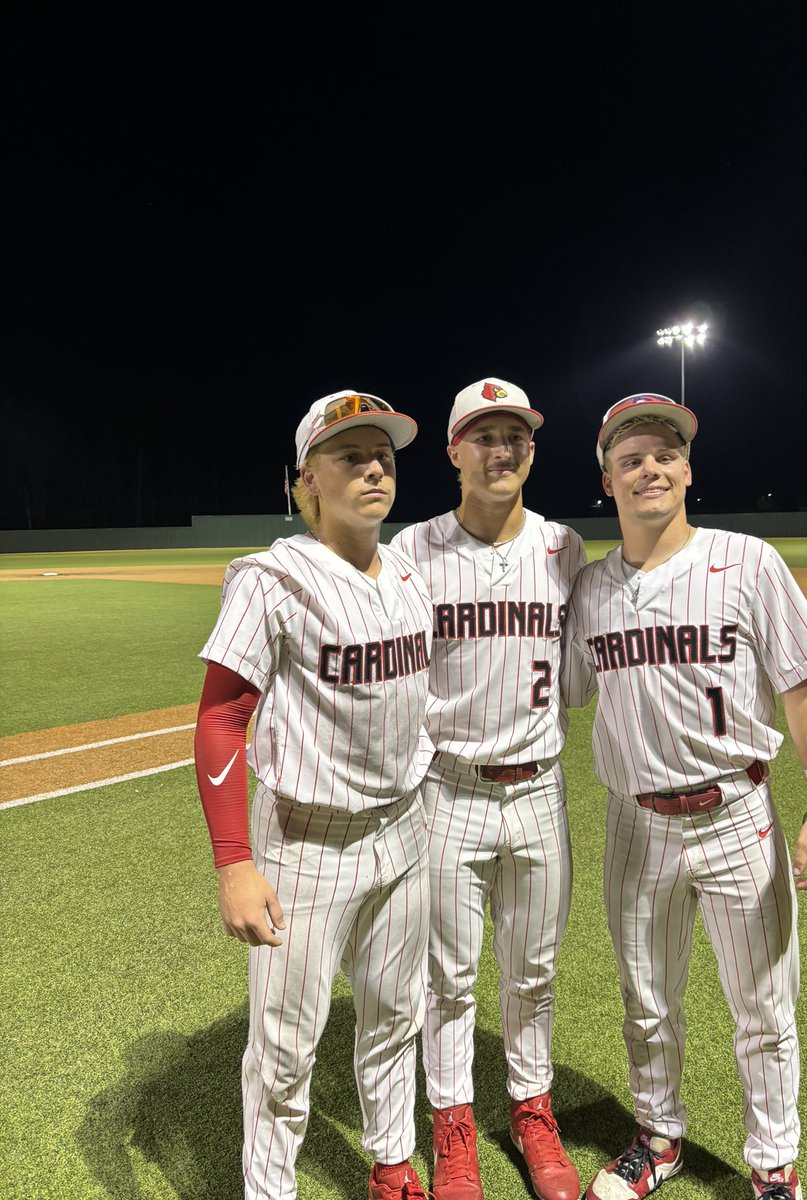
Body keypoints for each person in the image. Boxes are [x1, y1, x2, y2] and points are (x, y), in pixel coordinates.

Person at [562, 393, 807, 1200]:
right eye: (630, 458)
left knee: (763, 1008)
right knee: (646, 999)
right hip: (633, 822)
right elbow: (567, 691)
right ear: (608, 483)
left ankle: (773, 1165)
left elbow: (805, 687)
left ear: (687, 470)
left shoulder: (748, 561)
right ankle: (658, 1137)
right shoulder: (589, 591)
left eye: (663, 453)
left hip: (735, 814)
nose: (649, 467)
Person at [193, 390, 436, 1200]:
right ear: (308, 482)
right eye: (349, 457)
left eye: (385, 457)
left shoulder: (406, 570)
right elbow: (223, 720)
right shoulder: (270, 579)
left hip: (404, 832)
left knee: (396, 1016)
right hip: (307, 844)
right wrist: (235, 861)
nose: (373, 468)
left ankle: (393, 1161)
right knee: (286, 1046)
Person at [391, 378, 586, 1200]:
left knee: (533, 970)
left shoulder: (564, 547)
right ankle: (453, 1123)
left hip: (539, 788)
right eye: (483, 436)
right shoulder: (413, 550)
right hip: (448, 787)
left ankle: (532, 1110)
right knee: (448, 976)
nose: (500, 450)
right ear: (453, 453)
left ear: (531, 451)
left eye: (515, 436)